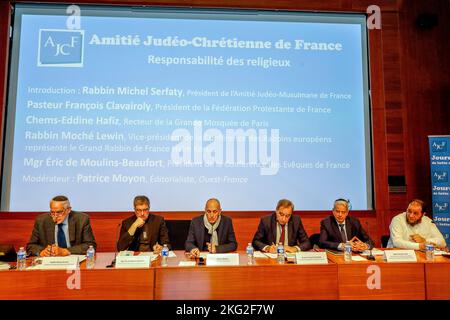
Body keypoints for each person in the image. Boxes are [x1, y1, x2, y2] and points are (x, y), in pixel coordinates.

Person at [27, 195, 96, 256]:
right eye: (52, 212)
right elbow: (30, 246)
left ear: (68, 210)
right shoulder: (41, 221)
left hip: (73, 260)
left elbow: (91, 245)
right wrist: (42, 251)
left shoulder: (82, 220)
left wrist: (66, 251)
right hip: (50, 261)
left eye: (59, 212)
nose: (55, 216)